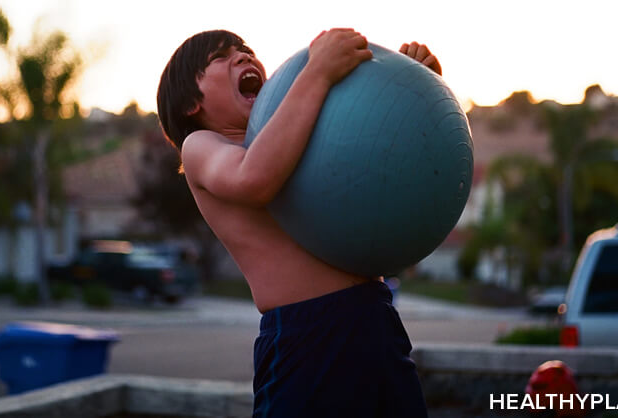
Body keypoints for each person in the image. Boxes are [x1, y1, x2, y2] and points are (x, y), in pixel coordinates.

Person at [156, 28, 442, 418]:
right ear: (191, 102)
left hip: (374, 319)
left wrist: (412, 90)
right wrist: (317, 73)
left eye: (246, 50)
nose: (242, 56)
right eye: (221, 57)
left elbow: (378, 160)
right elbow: (253, 178)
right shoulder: (203, 146)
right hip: (307, 336)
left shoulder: (298, 136)